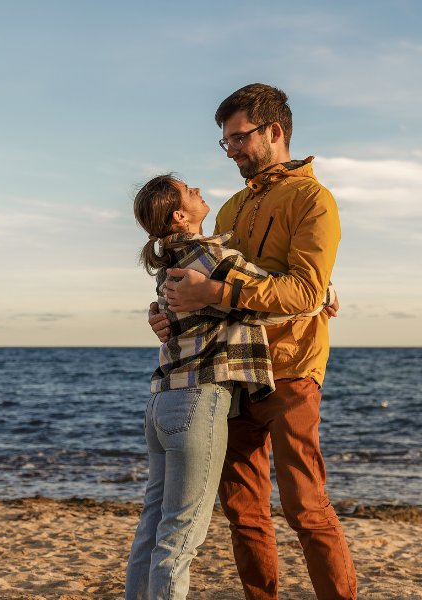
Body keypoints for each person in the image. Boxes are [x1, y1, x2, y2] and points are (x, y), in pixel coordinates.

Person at [148, 84, 356, 600]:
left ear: (275, 131)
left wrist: (215, 290)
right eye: (226, 142)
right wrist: (167, 310)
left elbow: (303, 288)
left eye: (240, 138)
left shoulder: (313, 199)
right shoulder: (230, 209)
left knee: (306, 507)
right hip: (230, 375)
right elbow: (206, 278)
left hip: (290, 370)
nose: (233, 150)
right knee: (243, 513)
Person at [126, 174, 334, 600]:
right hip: (198, 401)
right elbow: (262, 301)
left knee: (152, 528)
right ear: (180, 215)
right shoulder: (210, 255)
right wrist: (322, 295)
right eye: (189, 191)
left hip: (163, 402)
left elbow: (219, 310)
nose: (199, 190)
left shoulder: (170, 261)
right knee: (180, 535)